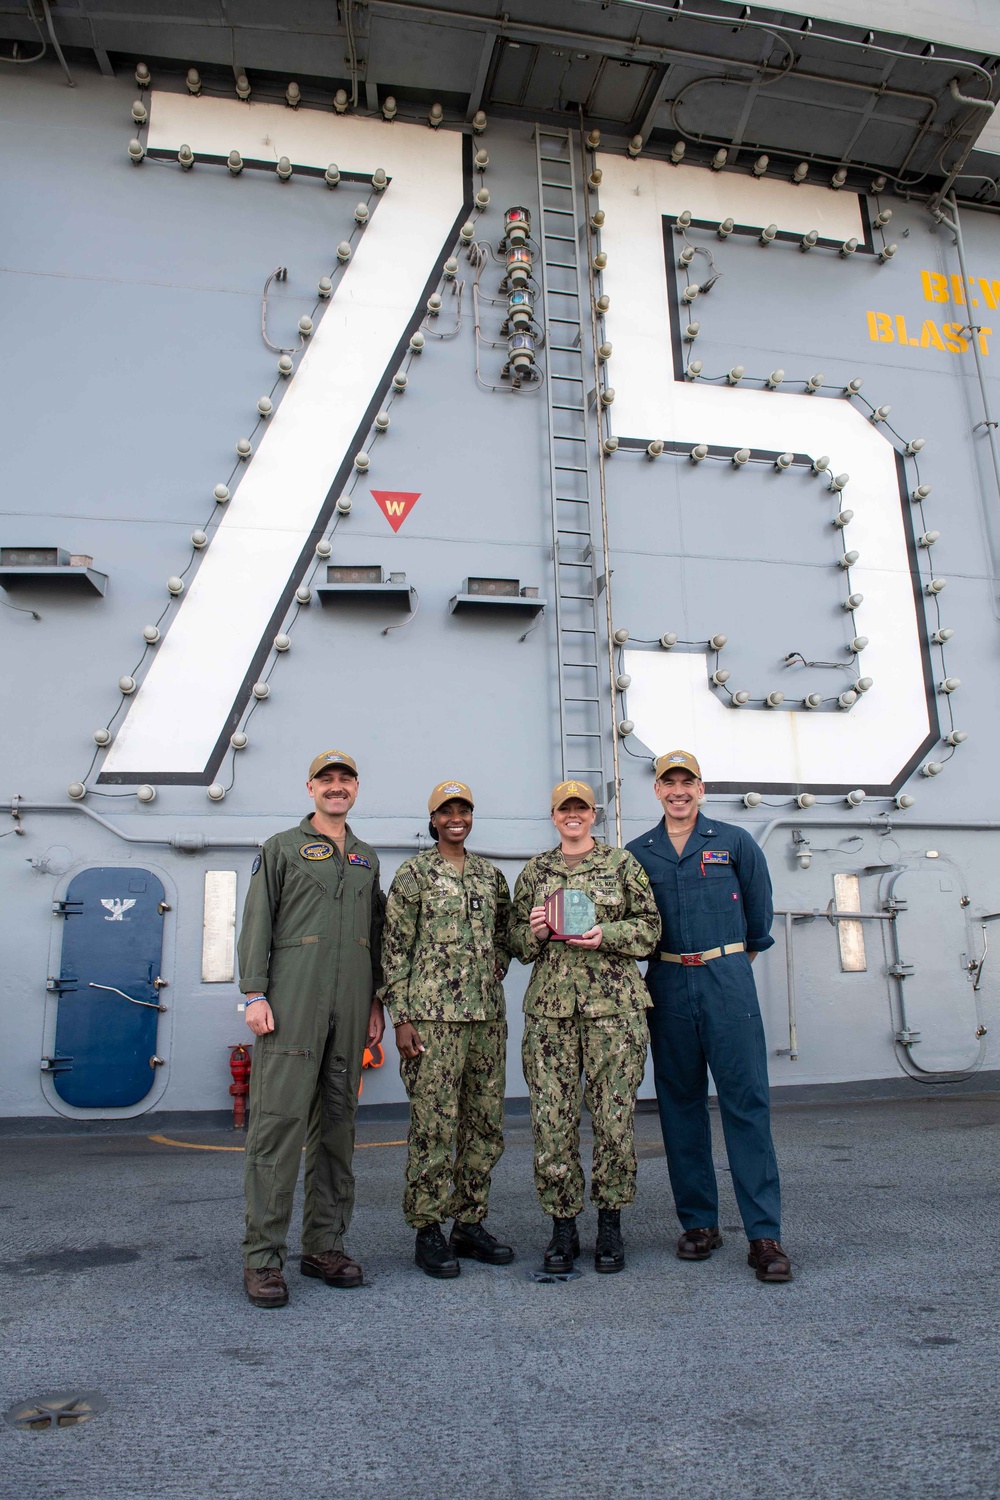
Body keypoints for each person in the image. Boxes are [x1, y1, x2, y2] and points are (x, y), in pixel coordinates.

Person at [626, 749, 792, 1283]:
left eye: (687, 781)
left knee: (746, 1103)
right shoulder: (638, 853)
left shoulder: (734, 842)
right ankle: (700, 1223)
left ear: (702, 787)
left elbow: (759, 915)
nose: (677, 791)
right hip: (668, 984)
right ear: (656, 790)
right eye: (667, 782)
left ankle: (764, 1234)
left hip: (727, 981)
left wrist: (728, 963)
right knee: (680, 1106)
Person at [237, 749, 385, 1308]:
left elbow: (375, 935)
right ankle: (263, 1258)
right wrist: (254, 992)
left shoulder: (367, 860)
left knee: (338, 1128)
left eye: (346, 779)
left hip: (350, 1007)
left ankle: (324, 1245)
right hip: (292, 1001)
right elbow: (258, 920)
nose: (336, 787)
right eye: (327, 780)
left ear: (355, 790)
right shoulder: (280, 849)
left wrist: (375, 1002)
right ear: (310, 789)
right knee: (276, 1126)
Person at [509, 781, 660, 1274]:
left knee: (614, 1120)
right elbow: (515, 942)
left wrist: (608, 934)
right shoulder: (536, 871)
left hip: (614, 1012)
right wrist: (530, 933)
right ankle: (563, 1226)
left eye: (581, 809)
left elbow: (650, 929)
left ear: (592, 814)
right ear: (553, 816)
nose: (573, 816)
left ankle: (611, 1224)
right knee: (552, 1122)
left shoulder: (621, 866)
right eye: (564, 809)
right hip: (551, 1014)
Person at [380, 781, 514, 1278]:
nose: (456, 818)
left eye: (464, 810)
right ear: (433, 819)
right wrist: (402, 1017)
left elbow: (505, 931)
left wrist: (498, 960)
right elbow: (394, 948)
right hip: (431, 1023)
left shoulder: (489, 875)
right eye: (446, 811)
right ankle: (428, 1229)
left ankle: (469, 1222)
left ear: (471, 817)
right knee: (434, 1126)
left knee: (484, 1124)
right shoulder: (413, 876)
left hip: (485, 1020)